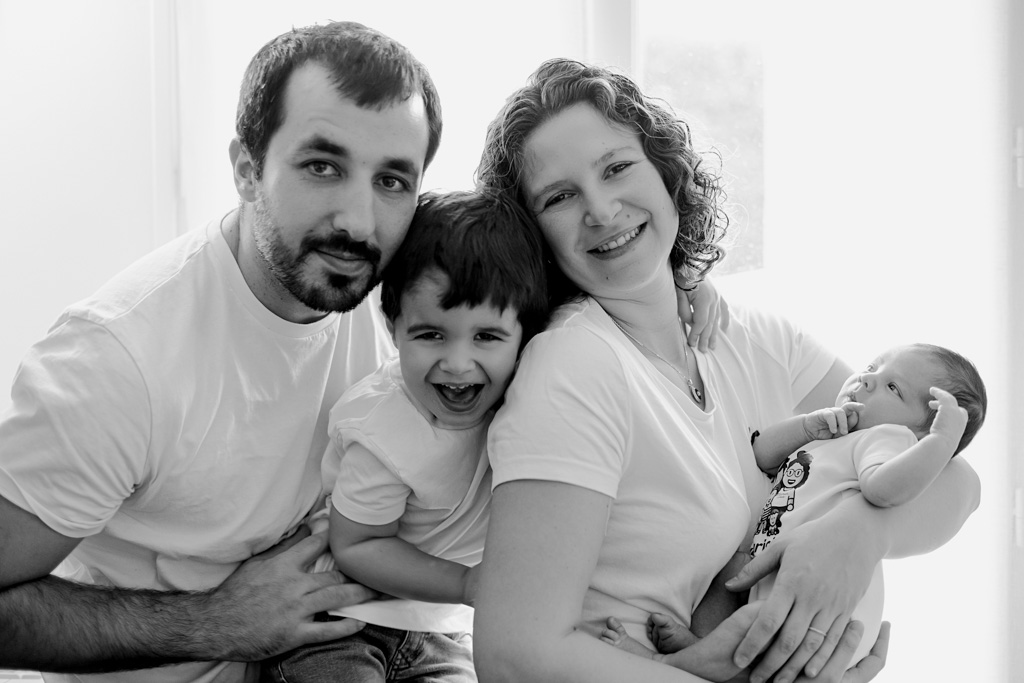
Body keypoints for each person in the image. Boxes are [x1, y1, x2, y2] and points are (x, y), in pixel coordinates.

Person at [471, 58, 981, 683]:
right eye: (559, 196)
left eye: (617, 167)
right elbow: (515, 656)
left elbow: (959, 484)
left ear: (666, 173)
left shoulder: (760, 339)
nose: (600, 209)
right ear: (534, 236)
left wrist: (861, 532)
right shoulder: (573, 367)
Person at [0, 21, 441, 682]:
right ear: (246, 169)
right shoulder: (118, 360)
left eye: (392, 181)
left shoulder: (384, 302)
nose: (359, 221)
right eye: (322, 166)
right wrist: (215, 621)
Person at [262, 189, 549, 682]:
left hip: (437, 631)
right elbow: (358, 546)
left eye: (486, 337)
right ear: (393, 327)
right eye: (431, 334)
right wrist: (467, 583)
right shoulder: (384, 429)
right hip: (341, 619)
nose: (457, 364)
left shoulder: (527, 396)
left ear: (525, 336)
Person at [602, 343, 987, 672]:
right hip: (772, 571)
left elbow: (883, 490)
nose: (867, 379)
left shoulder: (886, 439)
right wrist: (805, 428)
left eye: (892, 387)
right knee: (730, 577)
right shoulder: (833, 436)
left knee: (753, 623)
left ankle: (667, 664)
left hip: (821, 606)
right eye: (872, 367)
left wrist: (940, 443)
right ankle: (702, 647)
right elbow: (763, 456)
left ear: (919, 432)